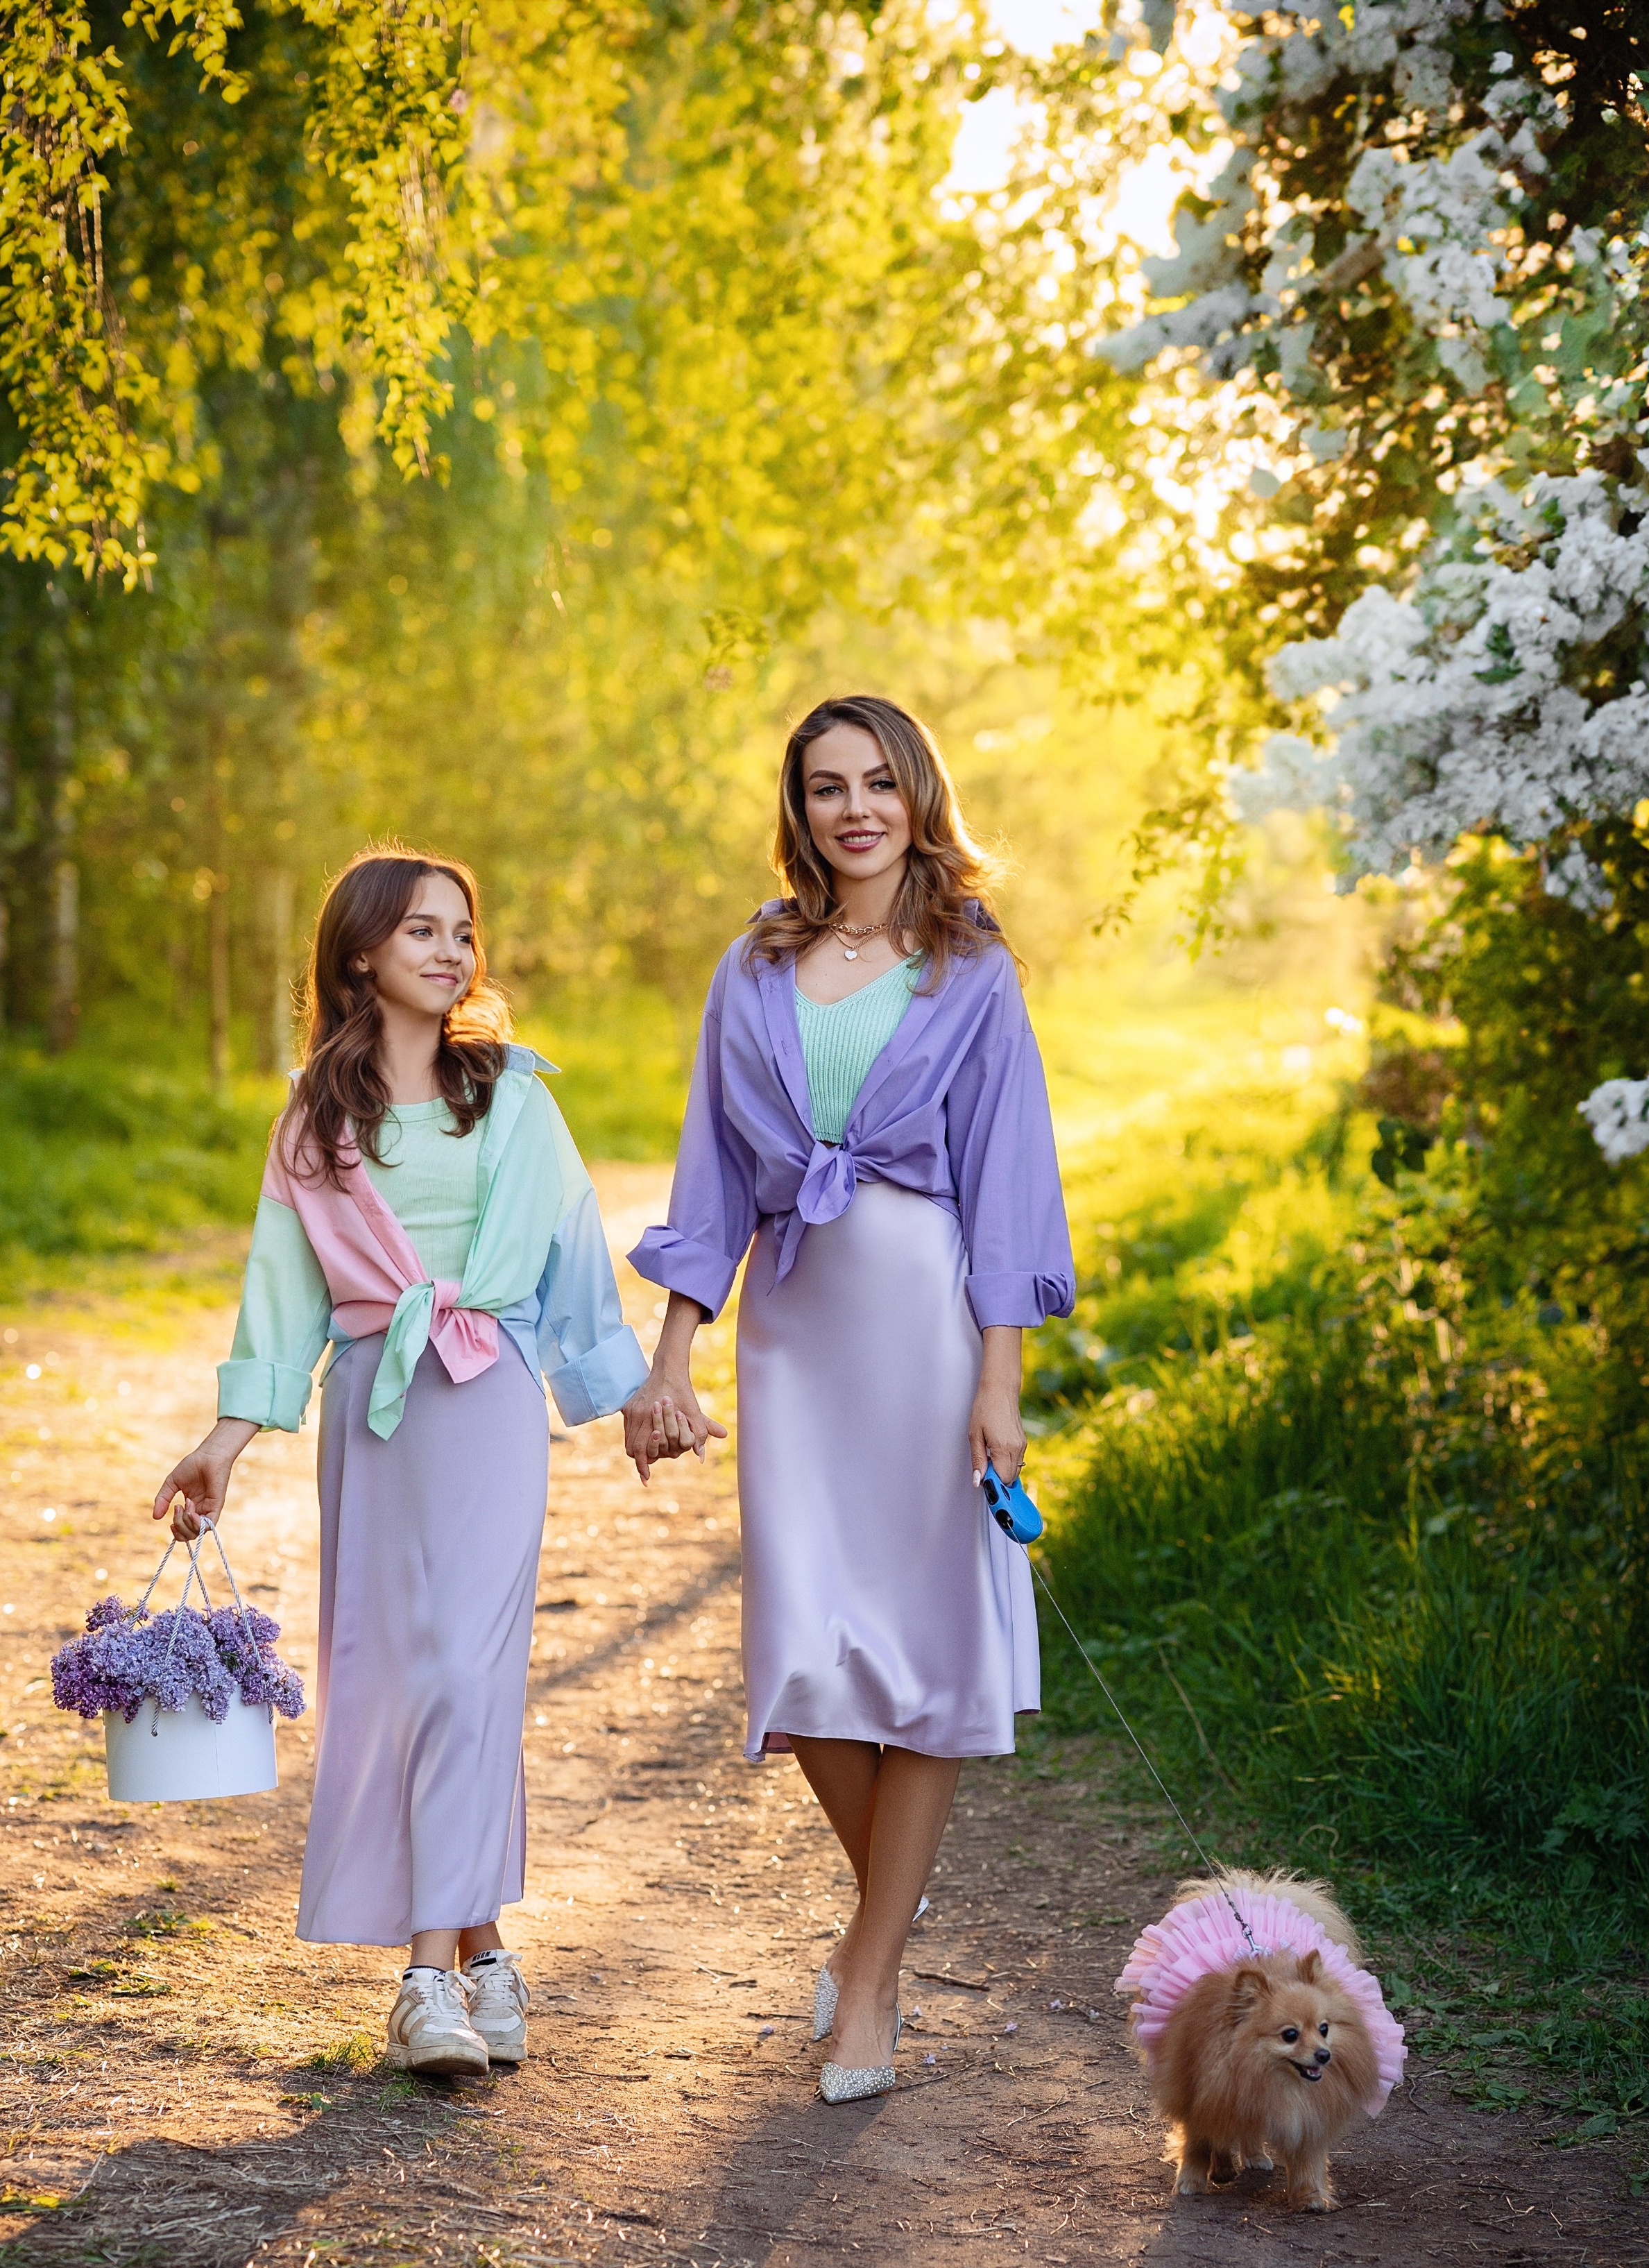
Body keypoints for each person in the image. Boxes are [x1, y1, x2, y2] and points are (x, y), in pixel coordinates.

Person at [625, 695, 1074, 2102]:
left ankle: (869, 1986)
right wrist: (671, 1353)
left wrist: (999, 1380)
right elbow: (709, 1176)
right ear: (800, 812)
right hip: (796, 1336)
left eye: (878, 782)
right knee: (805, 1652)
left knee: (930, 1661)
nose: (854, 808)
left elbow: (1008, 1186)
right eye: (826, 788)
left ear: (916, 794)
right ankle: (893, 1903)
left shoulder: (971, 970)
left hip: (928, 1330)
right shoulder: (750, 969)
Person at [153, 847, 646, 2074]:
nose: (450, 950)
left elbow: (576, 1255)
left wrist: (631, 1396)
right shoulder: (315, 1123)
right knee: (401, 1675)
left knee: (468, 1673)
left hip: (484, 1402)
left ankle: (424, 1977)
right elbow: (280, 1295)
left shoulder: (520, 1099)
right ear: (362, 952)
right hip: (374, 1410)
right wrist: (226, 1440)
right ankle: (486, 1956)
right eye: (421, 930)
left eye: (463, 931)